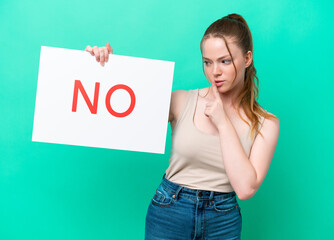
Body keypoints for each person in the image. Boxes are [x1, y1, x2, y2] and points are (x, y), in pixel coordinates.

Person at [85, 13, 280, 240]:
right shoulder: (181, 101)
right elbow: (119, 110)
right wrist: (103, 68)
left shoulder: (265, 122)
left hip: (223, 220)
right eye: (207, 62)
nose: (214, 72)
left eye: (225, 61)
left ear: (247, 59)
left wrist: (223, 122)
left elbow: (245, 189)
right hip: (169, 211)